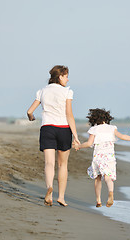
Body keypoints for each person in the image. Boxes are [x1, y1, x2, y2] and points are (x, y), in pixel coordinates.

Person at [27, 65, 80, 207]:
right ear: (60, 76)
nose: (68, 79)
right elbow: (69, 115)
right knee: (62, 165)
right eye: (66, 76)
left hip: (47, 128)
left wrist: (31, 117)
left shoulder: (42, 91)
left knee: (49, 163)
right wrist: (75, 135)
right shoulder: (67, 92)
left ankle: (49, 188)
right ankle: (61, 197)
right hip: (63, 129)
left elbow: (29, 110)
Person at [74, 108, 130, 208]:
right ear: (106, 118)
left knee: (97, 178)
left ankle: (98, 200)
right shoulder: (112, 128)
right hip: (110, 156)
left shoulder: (94, 129)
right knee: (108, 177)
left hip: (98, 156)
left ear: (93, 119)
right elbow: (122, 136)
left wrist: (79, 146)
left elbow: (89, 143)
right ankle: (111, 193)